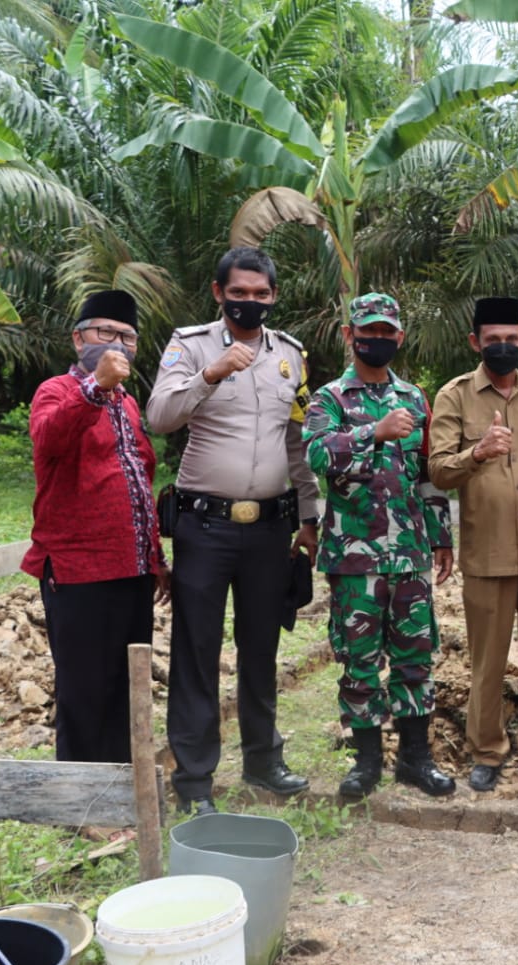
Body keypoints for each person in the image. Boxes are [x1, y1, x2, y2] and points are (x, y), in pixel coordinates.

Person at [146, 247, 319, 816]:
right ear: (218, 293)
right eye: (238, 292)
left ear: (273, 296)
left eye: (260, 294)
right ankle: (194, 781)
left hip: (270, 529)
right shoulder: (189, 344)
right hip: (204, 525)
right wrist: (209, 375)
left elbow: (296, 444)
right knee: (197, 649)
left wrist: (310, 517)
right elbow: (160, 416)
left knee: (261, 647)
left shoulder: (290, 356)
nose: (250, 302)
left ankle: (264, 761)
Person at [303, 293, 455, 799]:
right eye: (368, 331)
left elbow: (428, 474)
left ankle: (416, 758)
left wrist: (441, 536)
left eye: (387, 331)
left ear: (399, 337)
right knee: (359, 659)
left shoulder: (414, 397)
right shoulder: (329, 398)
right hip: (355, 556)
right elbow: (317, 456)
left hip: (409, 553)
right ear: (350, 335)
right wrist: (375, 431)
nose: (377, 339)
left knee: (415, 655)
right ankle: (366, 760)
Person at [429, 296, 518, 793]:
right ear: (476, 343)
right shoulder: (455, 396)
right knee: (487, 660)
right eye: (493, 340)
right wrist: (479, 452)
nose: (503, 348)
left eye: (512, 340)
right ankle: (487, 750)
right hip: (486, 552)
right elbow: (438, 470)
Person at [23, 289, 168, 764]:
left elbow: (138, 482)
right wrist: (96, 387)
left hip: (131, 569)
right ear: (78, 338)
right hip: (77, 568)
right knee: (84, 686)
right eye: (106, 332)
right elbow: (50, 438)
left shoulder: (128, 404)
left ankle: (124, 787)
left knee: (127, 684)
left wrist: (156, 560)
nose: (118, 343)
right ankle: (82, 800)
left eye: (128, 336)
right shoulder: (57, 391)